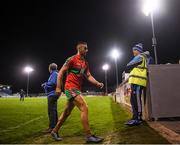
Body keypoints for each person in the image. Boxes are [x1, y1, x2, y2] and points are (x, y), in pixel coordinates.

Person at [51, 41, 104, 143]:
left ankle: (55, 131)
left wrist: (97, 83)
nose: (87, 50)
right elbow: (61, 72)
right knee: (84, 107)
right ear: (79, 49)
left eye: (87, 48)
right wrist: (58, 87)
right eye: (85, 48)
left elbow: (88, 75)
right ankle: (88, 136)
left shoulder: (85, 63)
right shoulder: (71, 59)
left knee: (67, 112)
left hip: (77, 89)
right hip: (70, 87)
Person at [125, 43, 148, 126]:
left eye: (134, 50)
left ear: (137, 50)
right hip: (135, 81)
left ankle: (138, 118)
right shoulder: (140, 57)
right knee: (133, 100)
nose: (133, 52)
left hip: (138, 81)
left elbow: (128, 65)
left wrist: (129, 66)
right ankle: (134, 117)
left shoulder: (140, 57)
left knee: (136, 100)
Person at [42, 63, 59, 133]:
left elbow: (52, 83)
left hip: (52, 94)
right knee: (54, 111)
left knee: (51, 111)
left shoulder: (54, 74)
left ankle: (52, 127)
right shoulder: (56, 73)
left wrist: (45, 85)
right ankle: (56, 126)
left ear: (50, 68)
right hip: (54, 93)